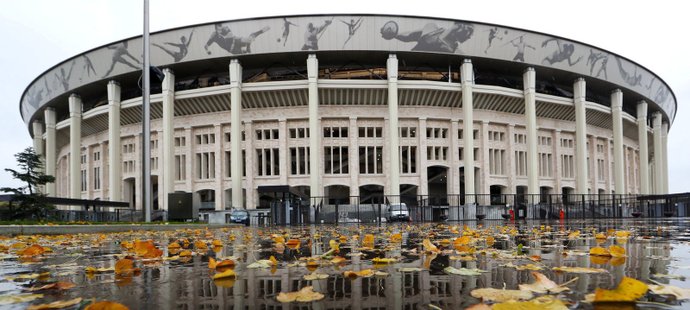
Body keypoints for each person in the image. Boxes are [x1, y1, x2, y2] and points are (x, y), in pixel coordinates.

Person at [382, 21, 474, 53]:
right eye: (469, 32)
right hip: (410, 67)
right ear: (460, 27)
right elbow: (409, 36)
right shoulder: (432, 27)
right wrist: (392, 34)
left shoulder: (456, 51)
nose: (469, 37)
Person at [205, 23, 270, 55]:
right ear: (215, 29)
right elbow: (206, 46)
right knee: (246, 53)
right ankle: (247, 48)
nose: (220, 31)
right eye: (218, 30)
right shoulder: (213, 36)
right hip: (232, 49)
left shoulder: (225, 29)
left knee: (249, 39)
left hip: (235, 41)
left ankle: (260, 31)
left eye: (221, 29)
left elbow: (231, 36)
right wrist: (207, 51)